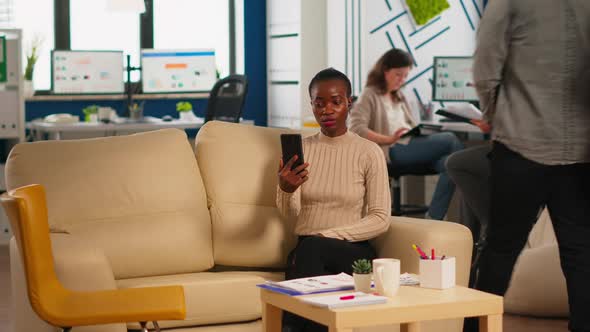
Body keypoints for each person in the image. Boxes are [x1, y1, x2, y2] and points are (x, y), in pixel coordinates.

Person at [465, 1, 590, 331]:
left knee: (500, 251)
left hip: (521, 141)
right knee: (581, 255)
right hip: (580, 148)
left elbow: (485, 67)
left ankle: (476, 328)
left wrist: (496, 117)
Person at [276, 68, 391, 332]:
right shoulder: (301, 150)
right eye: (319, 103)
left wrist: (327, 236)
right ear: (312, 105)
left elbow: (380, 218)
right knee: (304, 253)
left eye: (336, 102)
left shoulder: (368, 152)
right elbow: (289, 215)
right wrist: (286, 189)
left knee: (309, 251)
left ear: (349, 102)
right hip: (307, 248)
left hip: (353, 251)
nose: (326, 110)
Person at [349, 48, 463, 220]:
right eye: (398, 75)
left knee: (452, 165)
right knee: (451, 139)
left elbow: (409, 126)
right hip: (392, 149)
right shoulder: (369, 94)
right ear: (385, 70)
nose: (402, 80)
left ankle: (432, 218)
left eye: (405, 76)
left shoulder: (399, 96)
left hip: (408, 145)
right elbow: (357, 129)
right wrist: (389, 139)